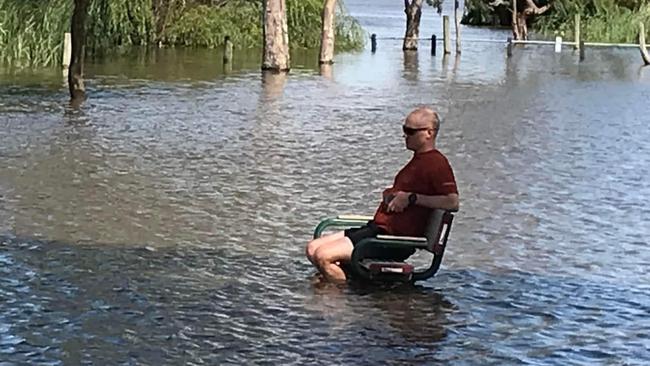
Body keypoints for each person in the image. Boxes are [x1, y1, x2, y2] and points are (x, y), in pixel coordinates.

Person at [305, 106, 459, 284]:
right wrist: (392, 195)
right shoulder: (418, 161)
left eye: (410, 131)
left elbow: (452, 202)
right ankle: (345, 287)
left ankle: (343, 302)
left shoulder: (437, 164)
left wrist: (411, 198)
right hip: (377, 231)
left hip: (393, 240)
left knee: (323, 256)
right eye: (404, 130)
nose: (405, 136)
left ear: (429, 133)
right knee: (312, 248)